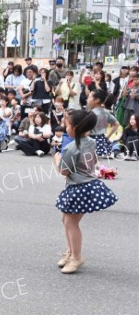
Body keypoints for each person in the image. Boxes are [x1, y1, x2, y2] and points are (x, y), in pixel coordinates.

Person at [53, 110, 118, 274]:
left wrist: (56, 160)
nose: (65, 127)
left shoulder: (70, 148)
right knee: (66, 219)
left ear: (74, 128)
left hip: (79, 187)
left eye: (67, 124)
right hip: (89, 184)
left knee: (71, 222)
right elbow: (94, 159)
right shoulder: (90, 141)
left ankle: (76, 257)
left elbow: (64, 172)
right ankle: (70, 252)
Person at [87, 89, 120, 158]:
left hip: (91, 140)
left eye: (89, 97)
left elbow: (88, 131)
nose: (87, 99)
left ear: (97, 100)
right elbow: (116, 124)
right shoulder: (105, 112)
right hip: (102, 140)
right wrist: (107, 137)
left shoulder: (92, 114)